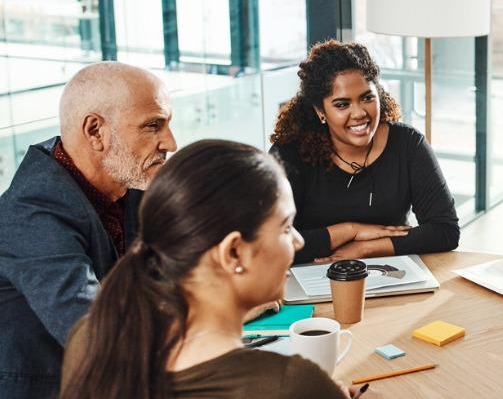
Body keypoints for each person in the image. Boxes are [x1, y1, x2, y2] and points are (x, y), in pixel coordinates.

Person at [60, 140, 377, 399]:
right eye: (285, 227)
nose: (297, 242)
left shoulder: (90, 337)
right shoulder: (288, 384)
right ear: (234, 252)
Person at [0, 62, 177, 399]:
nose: (170, 142)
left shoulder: (130, 185)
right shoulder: (29, 214)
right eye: (153, 126)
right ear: (96, 131)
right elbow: (98, 335)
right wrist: (215, 310)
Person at [270, 40, 459, 264]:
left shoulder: (408, 144)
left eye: (367, 98)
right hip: (310, 276)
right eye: (342, 104)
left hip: (391, 273)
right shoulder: (289, 154)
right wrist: (350, 230)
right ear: (320, 111)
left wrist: (365, 249)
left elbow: (445, 231)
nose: (359, 113)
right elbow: (270, 244)